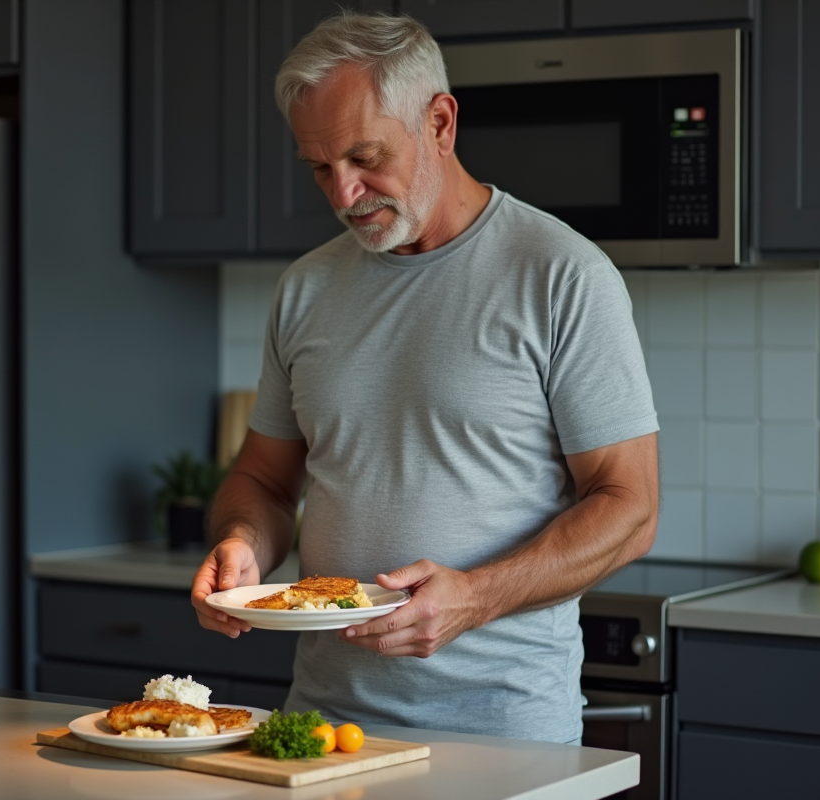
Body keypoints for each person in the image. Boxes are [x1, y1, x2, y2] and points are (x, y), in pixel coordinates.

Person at [190, 12, 659, 744]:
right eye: (320, 167)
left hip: (504, 738)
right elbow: (266, 480)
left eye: (364, 156)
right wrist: (243, 540)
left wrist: (474, 597)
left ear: (440, 121)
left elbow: (631, 506)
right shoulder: (306, 289)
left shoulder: (560, 275)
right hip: (324, 730)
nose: (343, 194)